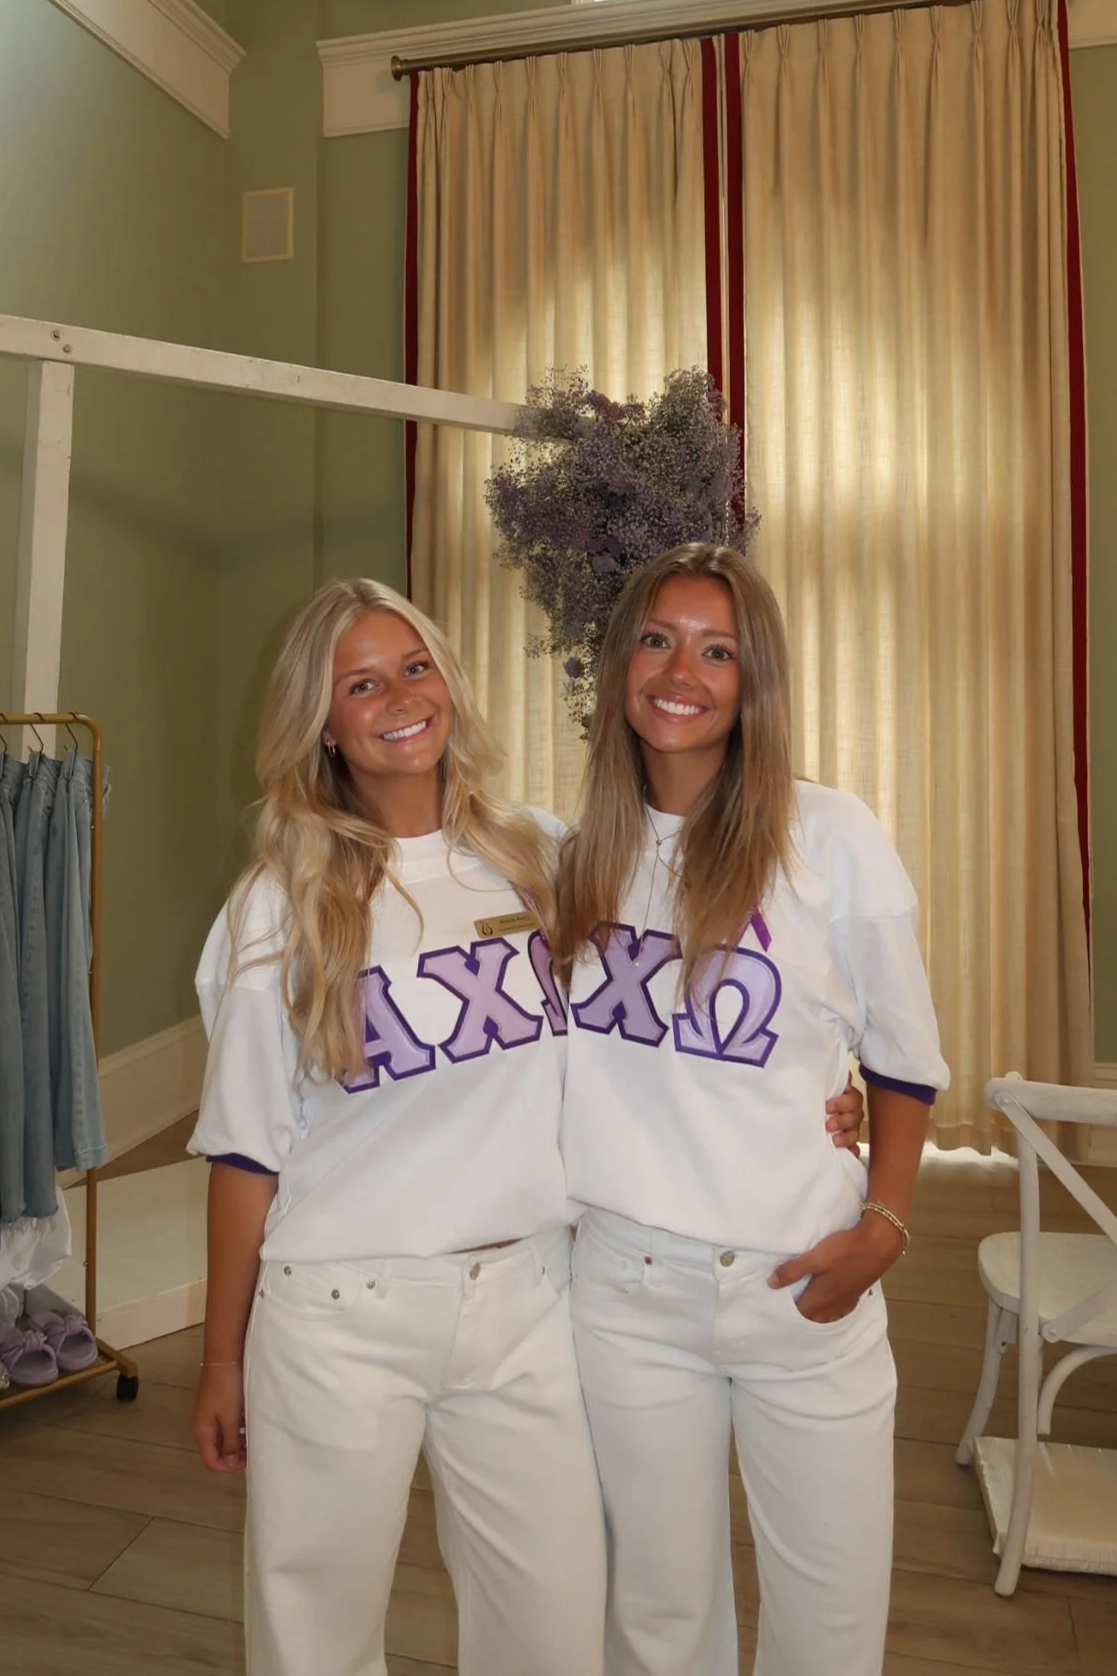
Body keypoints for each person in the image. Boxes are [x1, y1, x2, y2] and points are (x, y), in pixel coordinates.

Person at [187, 579, 607, 1676]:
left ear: (450, 685)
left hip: (525, 1305)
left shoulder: (536, 856)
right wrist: (220, 1357)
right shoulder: (279, 904)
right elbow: (244, 1149)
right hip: (340, 1317)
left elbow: (635, 1037)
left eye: (414, 667)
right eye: (360, 683)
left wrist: (816, 1098)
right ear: (321, 723)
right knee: (314, 1639)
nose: (399, 698)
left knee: (554, 1627)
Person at [554, 542, 950, 1676]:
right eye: (658, 638)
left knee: (827, 1630)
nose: (684, 669)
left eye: (717, 649)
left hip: (802, 1289)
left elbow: (906, 1060)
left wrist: (885, 1223)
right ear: (620, 661)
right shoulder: (572, 855)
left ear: (752, 679)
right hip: (624, 1291)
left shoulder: (829, 837)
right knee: (658, 1624)